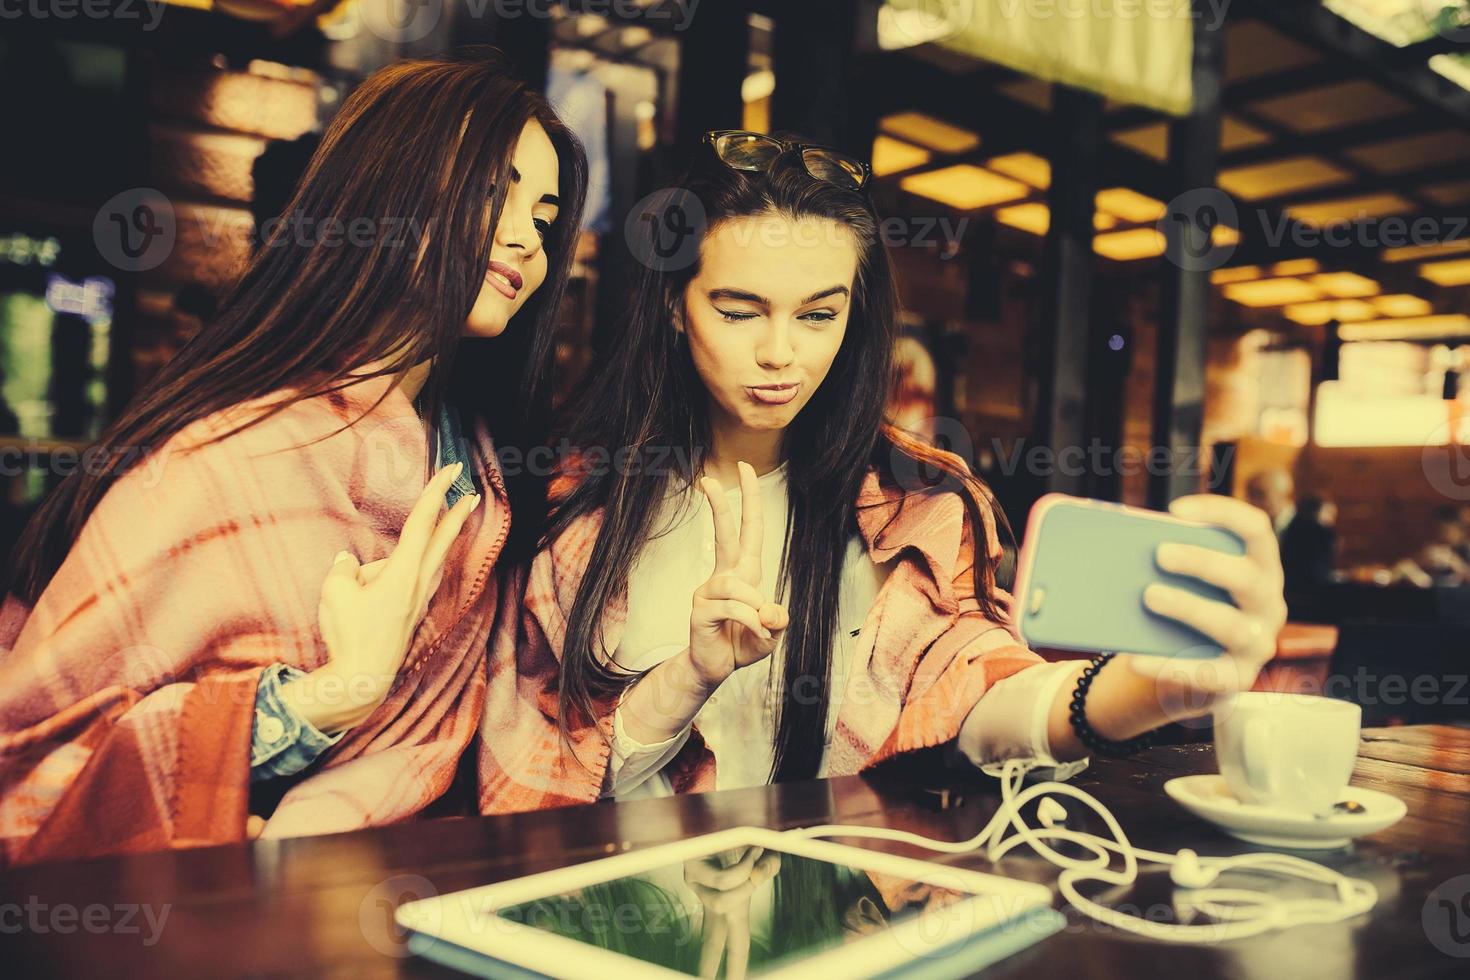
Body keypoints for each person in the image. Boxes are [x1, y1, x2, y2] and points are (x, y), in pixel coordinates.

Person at [477, 131, 1288, 809]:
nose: (780, 353)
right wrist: (686, 677)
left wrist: (1140, 691)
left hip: (831, 914)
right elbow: (523, 782)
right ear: (671, 305)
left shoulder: (914, 503)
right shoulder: (566, 495)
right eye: (739, 310)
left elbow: (968, 688)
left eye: (819, 315)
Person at [0, 51, 587, 865]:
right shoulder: (228, 458)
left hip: (411, 897)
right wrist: (329, 697)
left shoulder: (487, 470)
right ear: (383, 199)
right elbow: (27, 768)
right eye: (495, 194)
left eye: (547, 217)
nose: (527, 237)